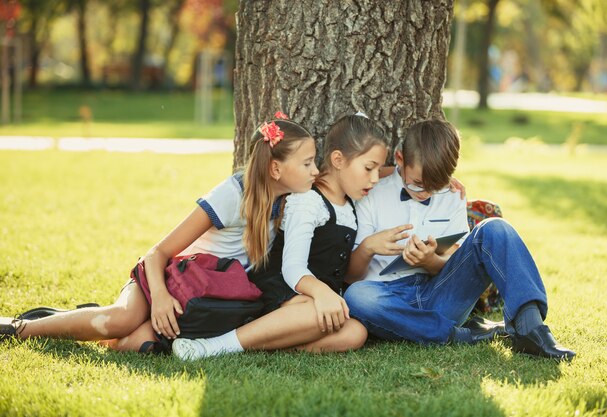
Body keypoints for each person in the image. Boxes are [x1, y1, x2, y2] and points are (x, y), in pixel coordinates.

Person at [0, 116, 319, 352]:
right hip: (166, 278)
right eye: (307, 164)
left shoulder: (288, 200)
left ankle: (79, 317)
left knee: (132, 345)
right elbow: (158, 253)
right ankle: (22, 328)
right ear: (275, 170)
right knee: (121, 320)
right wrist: (161, 299)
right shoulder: (233, 194)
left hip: (200, 295)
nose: (315, 171)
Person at [343, 118, 576, 361]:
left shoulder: (452, 195)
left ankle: (531, 330)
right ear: (400, 159)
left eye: (435, 186)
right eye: (419, 184)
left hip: (440, 296)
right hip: (386, 299)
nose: (427, 193)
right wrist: (369, 247)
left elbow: (455, 262)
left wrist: (430, 261)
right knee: (357, 296)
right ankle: (460, 335)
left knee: (496, 228)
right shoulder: (372, 192)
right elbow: (352, 276)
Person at [172, 113, 390, 360]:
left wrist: (414, 174)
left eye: (378, 170)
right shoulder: (309, 201)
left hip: (313, 298)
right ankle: (212, 346)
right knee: (313, 314)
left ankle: (259, 343)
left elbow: (384, 173)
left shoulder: (350, 204)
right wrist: (321, 292)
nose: (375, 178)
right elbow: (293, 267)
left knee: (355, 333)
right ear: (338, 160)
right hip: (281, 290)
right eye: (369, 168)